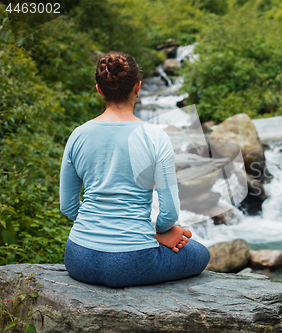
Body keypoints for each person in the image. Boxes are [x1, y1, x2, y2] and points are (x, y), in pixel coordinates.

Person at [60, 52, 210, 288]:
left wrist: (99, 227)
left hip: (78, 258)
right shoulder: (155, 136)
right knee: (201, 254)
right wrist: (160, 232)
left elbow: (67, 207)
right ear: (138, 87)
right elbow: (169, 213)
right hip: (133, 261)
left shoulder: (78, 135)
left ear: (99, 90)